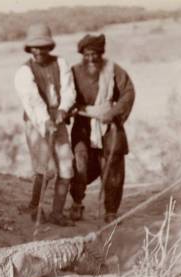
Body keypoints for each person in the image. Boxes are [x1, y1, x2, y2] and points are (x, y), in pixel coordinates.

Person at [14, 24, 76, 226]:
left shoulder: (61, 63)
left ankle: (57, 213)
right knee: (46, 168)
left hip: (58, 119)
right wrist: (46, 121)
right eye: (34, 47)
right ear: (29, 49)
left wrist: (63, 110)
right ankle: (36, 207)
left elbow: (68, 90)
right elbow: (32, 101)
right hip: (36, 121)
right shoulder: (24, 72)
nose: (39, 51)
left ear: (50, 47)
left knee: (66, 167)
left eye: (43, 46)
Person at [69, 34, 135, 223]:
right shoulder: (73, 72)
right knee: (79, 162)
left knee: (113, 164)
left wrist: (113, 112)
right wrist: (70, 110)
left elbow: (128, 94)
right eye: (87, 54)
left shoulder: (114, 70)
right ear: (82, 54)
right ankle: (77, 202)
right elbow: (65, 95)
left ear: (101, 53)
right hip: (83, 124)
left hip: (109, 124)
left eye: (95, 54)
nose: (91, 58)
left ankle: (111, 211)